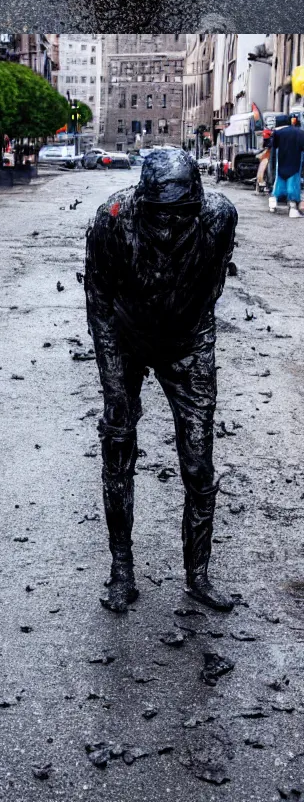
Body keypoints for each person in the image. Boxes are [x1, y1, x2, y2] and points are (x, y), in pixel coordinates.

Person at [84, 148, 238, 615]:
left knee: (198, 462)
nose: (169, 227)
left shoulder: (218, 217)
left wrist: (186, 335)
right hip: (126, 339)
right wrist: (114, 386)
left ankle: (198, 575)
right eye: (160, 216)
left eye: (180, 215)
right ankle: (122, 570)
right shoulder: (112, 219)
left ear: (197, 200)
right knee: (118, 447)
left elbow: (211, 286)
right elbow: (99, 302)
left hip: (188, 342)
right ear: (142, 201)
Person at [270, 114, 304, 216]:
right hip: (295, 162)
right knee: (293, 183)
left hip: (281, 161)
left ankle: (273, 204)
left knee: (279, 182)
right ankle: (293, 206)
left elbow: (273, 148)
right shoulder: (300, 133)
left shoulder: (278, 133)